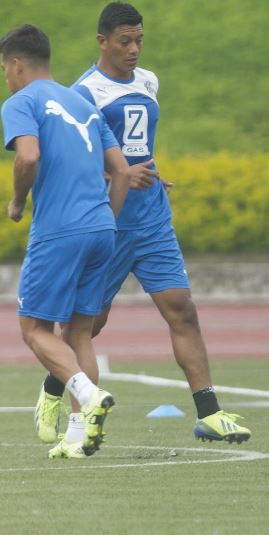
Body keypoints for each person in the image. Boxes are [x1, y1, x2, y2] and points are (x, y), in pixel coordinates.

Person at [32, 2, 251, 447]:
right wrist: (117, 177)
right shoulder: (82, 94)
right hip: (107, 223)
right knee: (88, 325)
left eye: (139, 40)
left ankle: (210, 413)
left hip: (152, 220)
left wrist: (147, 173)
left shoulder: (149, 81)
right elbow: (74, 162)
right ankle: (55, 386)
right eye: (125, 41)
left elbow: (136, 146)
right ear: (102, 42)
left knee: (182, 308)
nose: (134, 49)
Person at [1, 24, 132, 458]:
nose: (6, 77)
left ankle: (89, 395)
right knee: (79, 333)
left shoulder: (21, 102)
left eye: (4, 69)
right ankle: (77, 434)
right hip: (102, 230)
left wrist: (17, 201)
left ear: (17, 64)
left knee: (33, 329)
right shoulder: (83, 102)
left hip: (59, 230)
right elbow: (122, 171)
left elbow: (28, 156)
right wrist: (106, 220)